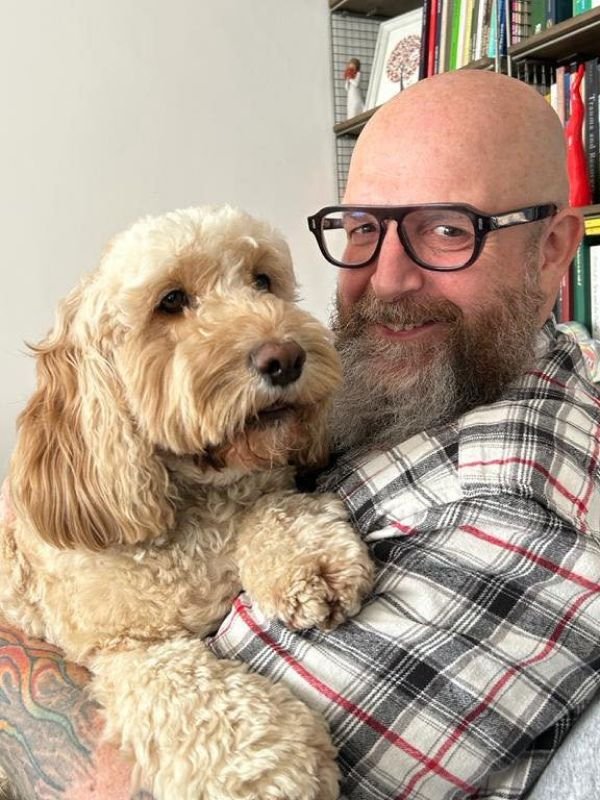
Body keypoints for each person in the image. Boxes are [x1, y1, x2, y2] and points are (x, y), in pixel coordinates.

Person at [1, 69, 599, 800]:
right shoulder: (410, 388)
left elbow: (153, 781)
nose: (386, 279)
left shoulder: (511, 509)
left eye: (448, 230)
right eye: (363, 229)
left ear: (552, 251)